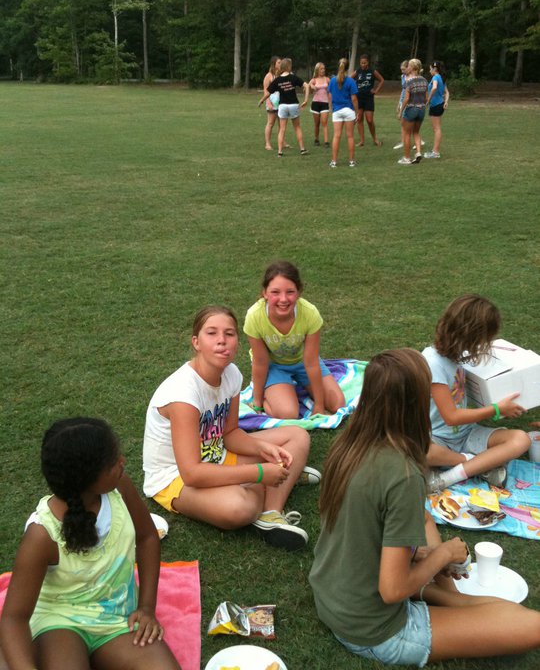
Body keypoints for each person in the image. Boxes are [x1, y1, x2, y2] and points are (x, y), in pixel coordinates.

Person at [309, 348, 540, 667]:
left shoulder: (347, 446)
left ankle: (445, 598)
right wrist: (443, 554)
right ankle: (440, 597)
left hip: (332, 595)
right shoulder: (403, 475)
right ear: (417, 403)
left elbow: (364, 529)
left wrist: (424, 556)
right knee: (531, 625)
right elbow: (392, 591)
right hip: (374, 628)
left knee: (426, 521)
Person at [0, 417, 180, 670]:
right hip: (60, 622)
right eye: (112, 462)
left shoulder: (120, 488)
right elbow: (13, 618)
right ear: (88, 479)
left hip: (118, 620)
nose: (122, 461)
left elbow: (147, 538)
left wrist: (147, 607)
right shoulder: (42, 535)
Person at [143, 305, 316, 551]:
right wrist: (259, 473)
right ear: (196, 342)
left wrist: (262, 448)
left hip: (217, 456)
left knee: (297, 436)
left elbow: (230, 434)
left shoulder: (231, 373)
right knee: (238, 508)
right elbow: (192, 473)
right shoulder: (183, 395)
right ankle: (279, 479)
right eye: (211, 333)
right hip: (175, 477)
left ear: (237, 342)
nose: (222, 340)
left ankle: (270, 513)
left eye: (229, 334)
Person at [423, 294, 530, 494]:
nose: (485, 345)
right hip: (437, 439)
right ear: (471, 336)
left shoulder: (457, 356)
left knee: (521, 439)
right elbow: (451, 417)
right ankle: (474, 465)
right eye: (485, 339)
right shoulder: (433, 362)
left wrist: (498, 404)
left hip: (467, 434)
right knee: (419, 451)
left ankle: (447, 476)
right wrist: (496, 409)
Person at [243, 260, 345, 418]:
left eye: (290, 292)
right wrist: (257, 403)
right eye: (275, 292)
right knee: (288, 413)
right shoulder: (254, 316)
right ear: (265, 293)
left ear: (298, 292)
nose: (283, 299)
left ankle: (293, 387)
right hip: (273, 366)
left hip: (303, 362)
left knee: (338, 404)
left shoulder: (310, 314)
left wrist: (319, 405)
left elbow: (311, 362)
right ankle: (270, 394)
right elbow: (261, 362)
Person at [258, 58, 309, 157]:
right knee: (297, 127)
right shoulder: (293, 77)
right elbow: (306, 86)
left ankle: (280, 152)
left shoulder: (277, 80)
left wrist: (262, 100)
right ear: (288, 67)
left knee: (282, 129)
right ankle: (302, 149)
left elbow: (268, 93)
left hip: (282, 106)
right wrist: (306, 100)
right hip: (293, 105)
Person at [327, 58, 359, 168]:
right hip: (349, 110)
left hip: (337, 111)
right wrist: (357, 112)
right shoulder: (351, 81)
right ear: (348, 68)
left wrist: (331, 108)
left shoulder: (332, 80)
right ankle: (351, 161)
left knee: (336, 136)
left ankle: (334, 161)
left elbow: (330, 96)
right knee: (350, 136)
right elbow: (354, 99)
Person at [398, 58, 428, 165]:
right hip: (421, 110)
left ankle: (406, 158)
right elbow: (426, 98)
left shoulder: (409, 81)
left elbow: (406, 99)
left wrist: (400, 111)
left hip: (411, 109)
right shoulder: (424, 80)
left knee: (407, 134)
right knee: (416, 132)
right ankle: (418, 153)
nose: (408, 68)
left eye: (409, 66)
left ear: (413, 68)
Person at [351, 54, 384, 147]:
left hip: (369, 98)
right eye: (361, 63)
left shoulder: (372, 71)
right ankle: (362, 141)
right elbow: (349, 79)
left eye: (364, 63)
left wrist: (376, 90)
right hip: (359, 98)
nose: (363, 65)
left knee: (369, 120)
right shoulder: (357, 71)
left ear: (368, 63)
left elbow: (382, 80)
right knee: (359, 119)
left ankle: (375, 139)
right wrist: (353, 89)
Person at [424, 60, 450, 159]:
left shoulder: (435, 77)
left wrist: (428, 100)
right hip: (440, 104)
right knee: (436, 128)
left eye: (430, 69)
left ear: (434, 69)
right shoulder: (441, 78)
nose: (429, 71)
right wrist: (446, 102)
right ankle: (435, 150)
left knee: (437, 129)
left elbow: (434, 88)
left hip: (436, 105)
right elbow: (447, 92)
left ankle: (435, 152)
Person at [309, 62, 330, 147]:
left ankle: (326, 142)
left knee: (324, 122)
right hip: (315, 103)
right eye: (321, 69)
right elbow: (307, 89)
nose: (323, 70)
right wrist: (311, 86)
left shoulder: (327, 79)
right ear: (317, 70)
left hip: (325, 103)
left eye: (324, 69)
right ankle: (316, 139)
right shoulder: (314, 80)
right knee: (317, 123)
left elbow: (332, 90)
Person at [262, 56, 281, 151]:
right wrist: (268, 103)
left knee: (281, 124)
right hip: (272, 103)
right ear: (274, 64)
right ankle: (267, 144)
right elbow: (266, 91)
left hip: (281, 103)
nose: (280, 64)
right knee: (270, 123)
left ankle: (282, 142)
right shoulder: (269, 76)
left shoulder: (281, 75)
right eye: (279, 62)